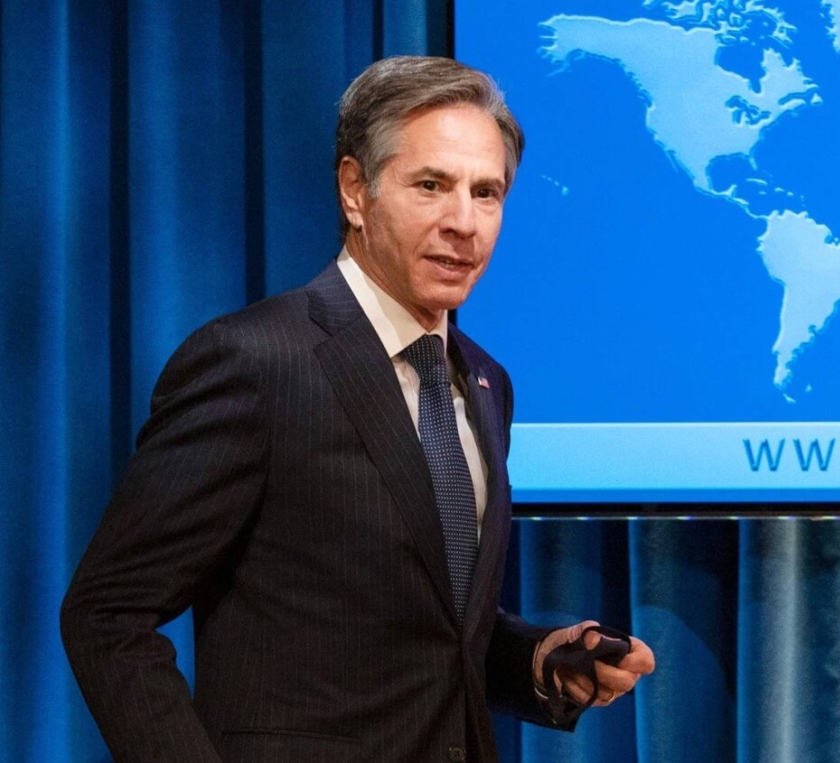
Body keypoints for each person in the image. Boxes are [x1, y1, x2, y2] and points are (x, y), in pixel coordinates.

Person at [59, 56, 654, 762]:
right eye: (431, 185)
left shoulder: (486, 382)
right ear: (354, 191)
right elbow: (108, 613)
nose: (464, 222)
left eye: (486, 193)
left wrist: (541, 660)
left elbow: (433, 630)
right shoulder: (256, 362)